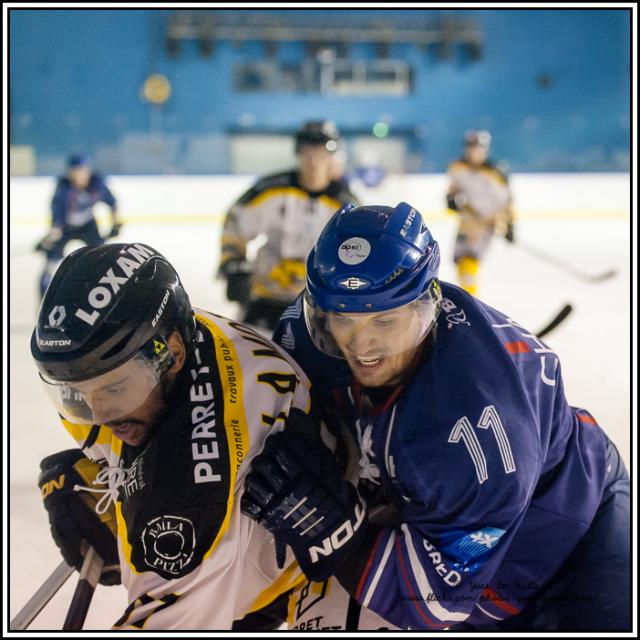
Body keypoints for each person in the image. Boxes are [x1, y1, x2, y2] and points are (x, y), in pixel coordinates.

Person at [241, 202, 630, 631]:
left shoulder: (474, 425)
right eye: (344, 320)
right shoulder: (305, 337)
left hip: (576, 535)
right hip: (450, 517)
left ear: (428, 305)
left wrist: (336, 535)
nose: (362, 346)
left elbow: (435, 603)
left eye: (385, 322)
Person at [30, 242, 319, 629]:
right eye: (76, 393)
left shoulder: (188, 491)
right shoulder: (162, 338)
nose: (96, 414)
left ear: (173, 353)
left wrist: (133, 495)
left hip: (300, 583)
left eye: (114, 390)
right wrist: (111, 474)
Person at [218, 120, 358, 331]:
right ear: (298, 153)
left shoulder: (345, 204)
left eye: (320, 153)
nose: (313, 162)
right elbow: (235, 224)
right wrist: (234, 265)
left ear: (333, 156)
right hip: (264, 297)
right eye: (307, 152)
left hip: (317, 304)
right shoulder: (270, 189)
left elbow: (357, 250)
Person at [35, 153, 122, 298]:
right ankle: (43, 298)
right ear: (70, 172)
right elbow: (57, 216)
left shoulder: (97, 183)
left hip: (88, 225)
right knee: (50, 264)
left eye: (82, 170)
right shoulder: (64, 189)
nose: (79, 175)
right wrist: (50, 239)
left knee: (102, 256)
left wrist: (115, 223)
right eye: (75, 171)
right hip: (65, 228)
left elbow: (112, 203)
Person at [446, 130, 515, 295]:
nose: (473, 150)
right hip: (468, 220)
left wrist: (510, 224)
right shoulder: (458, 166)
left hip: (486, 222)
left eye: (478, 147)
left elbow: (507, 200)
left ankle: (470, 298)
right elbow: (455, 186)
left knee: (471, 258)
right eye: (470, 146)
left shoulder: (494, 172)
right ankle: (465, 293)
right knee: (458, 259)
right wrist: (450, 197)